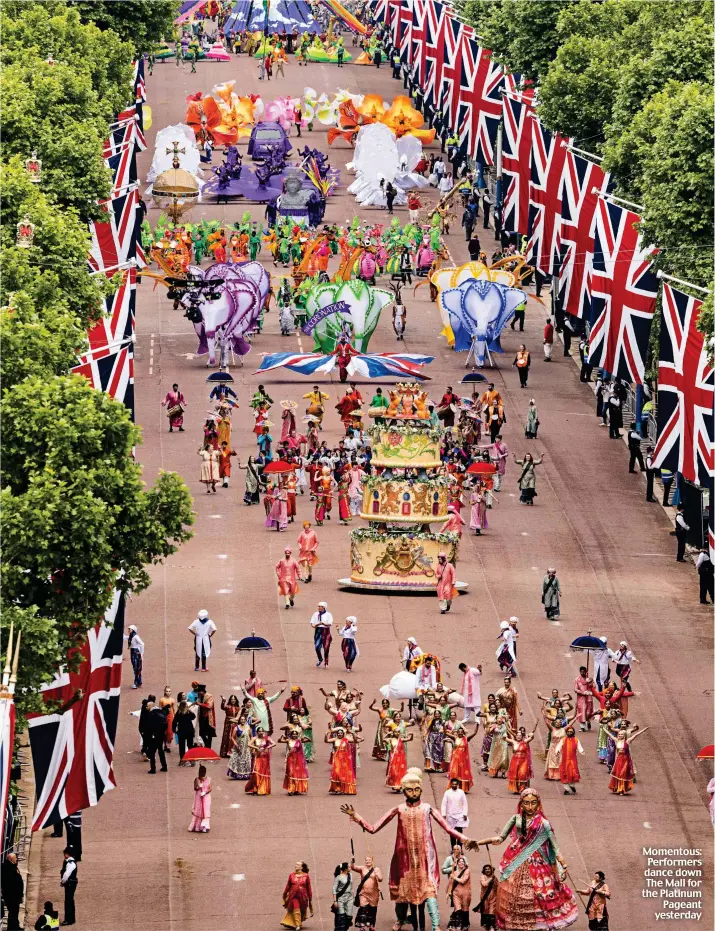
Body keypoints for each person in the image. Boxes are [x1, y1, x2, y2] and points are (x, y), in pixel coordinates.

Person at [341, 768, 478, 931]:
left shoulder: (427, 809)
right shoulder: (399, 809)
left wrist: (466, 839)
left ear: (420, 789)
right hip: (403, 863)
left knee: (430, 894)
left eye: (416, 789)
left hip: (425, 861)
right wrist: (356, 817)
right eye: (410, 790)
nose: (413, 793)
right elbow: (373, 828)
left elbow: (448, 828)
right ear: (404, 791)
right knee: (401, 899)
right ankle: (401, 919)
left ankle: (435, 926)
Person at [477, 789, 578, 931]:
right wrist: (479, 842)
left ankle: (539, 925)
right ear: (521, 804)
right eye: (526, 803)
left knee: (539, 895)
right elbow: (500, 838)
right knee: (515, 896)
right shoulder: (516, 819)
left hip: (539, 863)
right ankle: (518, 924)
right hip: (517, 860)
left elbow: (555, 847)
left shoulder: (544, 823)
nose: (530, 807)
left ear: (538, 804)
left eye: (533, 803)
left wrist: (563, 864)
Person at [351, 856, 383, 931]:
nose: (367, 861)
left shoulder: (376, 869)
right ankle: (362, 926)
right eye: (366, 860)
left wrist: (377, 875)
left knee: (373, 909)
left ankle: (372, 925)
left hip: (374, 893)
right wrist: (352, 861)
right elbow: (353, 867)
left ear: (372, 861)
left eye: (369, 860)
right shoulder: (362, 868)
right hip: (364, 892)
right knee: (363, 908)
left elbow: (381, 879)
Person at [281, 862, 313, 930]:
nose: (296, 866)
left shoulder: (306, 876)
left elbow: (309, 888)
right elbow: (288, 886)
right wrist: (284, 894)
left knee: (301, 910)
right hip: (293, 895)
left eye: (298, 865)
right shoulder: (291, 875)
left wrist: (310, 898)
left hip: (303, 897)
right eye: (296, 864)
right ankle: (298, 925)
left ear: (301, 867)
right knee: (296, 907)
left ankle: (295, 922)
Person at [446, 856, 471, 929]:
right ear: (457, 864)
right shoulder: (454, 873)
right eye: (459, 862)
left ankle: (465, 924)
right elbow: (450, 884)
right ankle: (457, 925)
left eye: (463, 862)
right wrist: (448, 892)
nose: (461, 863)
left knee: (465, 910)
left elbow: (463, 881)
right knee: (458, 909)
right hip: (456, 894)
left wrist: (454, 877)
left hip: (466, 894)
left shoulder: (467, 871)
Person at [145, 702, 169, 774]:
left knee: (152, 752)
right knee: (160, 750)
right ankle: (164, 766)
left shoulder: (151, 714)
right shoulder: (161, 712)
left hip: (154, 735)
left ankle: (153, 769)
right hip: (161, 734)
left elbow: (149, 726)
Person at [2, 852, 24, 930]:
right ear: (11, 859)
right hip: (12, 896)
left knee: (14, 912)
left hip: (13, 895)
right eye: (15, 858)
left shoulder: (10, 867)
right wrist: (19, 894)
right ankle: (12, 928)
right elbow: (13, 884)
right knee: (13, 912)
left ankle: (15, 926)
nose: (16, 859)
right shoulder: (9, 869)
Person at [473, 864, 498, 930]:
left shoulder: (494, 877)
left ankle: (492, 926)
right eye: (486, 869)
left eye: (489, 869)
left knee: (492, 911)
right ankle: (487, 925)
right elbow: (484, 884)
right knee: (485, 911)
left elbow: (497, 887)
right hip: (485, 898)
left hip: (493, 897)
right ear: (484, 870)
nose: (487, 870)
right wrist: (490, 879)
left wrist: (494, 880)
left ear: (491, 870)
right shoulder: (482, 877)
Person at [188, 764, 212, 832]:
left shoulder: (209, 779)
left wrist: (205, 792)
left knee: (205, 811)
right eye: (200, 772)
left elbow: (210, 789)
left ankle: (204, 826)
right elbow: (195, 788)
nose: (201, 773)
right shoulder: (196, 779)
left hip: (206, 797)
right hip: (199, 796)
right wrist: (198, 787)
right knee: (198, 810)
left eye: (203, 772)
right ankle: (197, 826)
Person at [173, 699, 196, 764]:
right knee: (190, 745)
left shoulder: (178, 713)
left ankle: (182, 760)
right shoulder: (189, 712)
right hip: (189, 730)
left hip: (181, 731)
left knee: (182, 746)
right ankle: (192, 760)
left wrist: (174, 729)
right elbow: (193, 717)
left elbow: (174, 722)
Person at [311, 601, 333, 667]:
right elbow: (312, 624)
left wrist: (323, 623)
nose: (319, 607)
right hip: (318, 631)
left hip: (326, 631)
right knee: (317, 647)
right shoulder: (315, 614)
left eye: (320, 606)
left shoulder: (328, 614)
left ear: (324, 607)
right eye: (318, 606)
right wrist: (316, 624)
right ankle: (320, 658)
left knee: (326, 648)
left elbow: (329, 624)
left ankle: (326, 662)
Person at [60, 848, 79, 926]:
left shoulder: (70, 863)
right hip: (71, 883)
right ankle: (71, 918)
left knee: (68, 901)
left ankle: (69, 919)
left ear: (67, 854)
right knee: (70, 901)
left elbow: (66, 874)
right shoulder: (70, 862)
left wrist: (62, 881)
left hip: (70, 884)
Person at [332, 863, 353, 931]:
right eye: (349, 867)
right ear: (345, 869)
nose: (350, 868)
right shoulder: (339, 877)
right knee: (341, 917)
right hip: (340, 899)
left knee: (349, 917)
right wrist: (335, 901)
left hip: (349, 898)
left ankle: (344, 929)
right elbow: (334, 889)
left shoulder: (350, 875)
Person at [125, 624, 144, 688]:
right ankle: (139, 681)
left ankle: (136, 682)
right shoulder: (130, 636)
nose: (128, 630)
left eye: (129, 629)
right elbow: (125, 637)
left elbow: (142, 644)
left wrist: (141, 653)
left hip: (136, 653)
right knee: (134, 667)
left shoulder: (135, 637)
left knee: (136, 667)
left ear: (133, 630)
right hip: (132, 652)